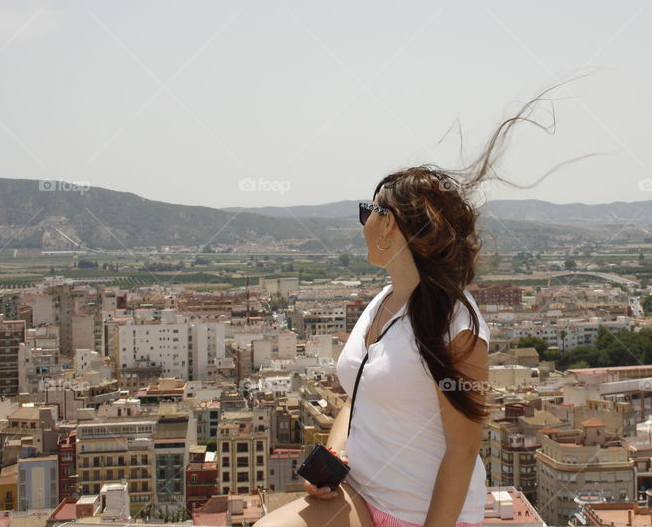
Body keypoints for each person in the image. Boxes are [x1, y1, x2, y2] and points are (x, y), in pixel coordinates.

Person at [255, 81, 605, 527]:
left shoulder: (456, 322)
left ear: (390, 227)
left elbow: (462, 449)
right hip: (360, 493)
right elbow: (357, 397)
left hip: (422, 513)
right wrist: (333, 457)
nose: (361, 222)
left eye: (369, 211)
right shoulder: (380, 302)